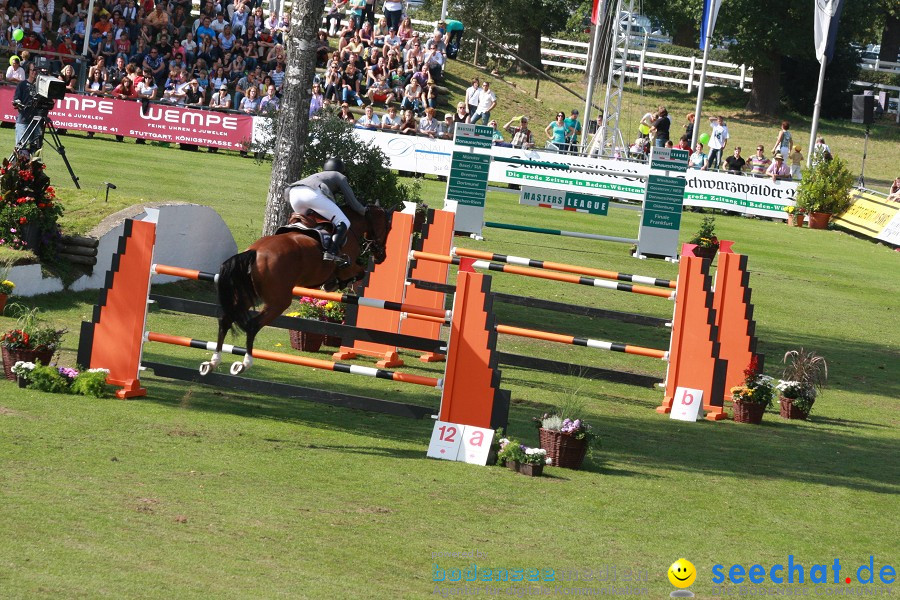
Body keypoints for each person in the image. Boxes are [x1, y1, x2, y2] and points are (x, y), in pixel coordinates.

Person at [285, 158, 367, 264]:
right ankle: (331, 252)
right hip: (311, 194)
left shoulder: (318, 175)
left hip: (293, 194)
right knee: (344, 222)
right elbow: (352, 202)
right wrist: (364, 211)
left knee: (306, 222)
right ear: (340, 170)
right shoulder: (338, 176)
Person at [12, 64, 38, 145]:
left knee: (36, 149)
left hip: (37, 121)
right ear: (28, 71)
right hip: (23, 119)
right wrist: (17, 102)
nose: (35, 72)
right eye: (32, 70)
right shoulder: (22, 84)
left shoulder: (40, 87)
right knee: (21, 149)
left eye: (36, 70)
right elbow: (16, 99)